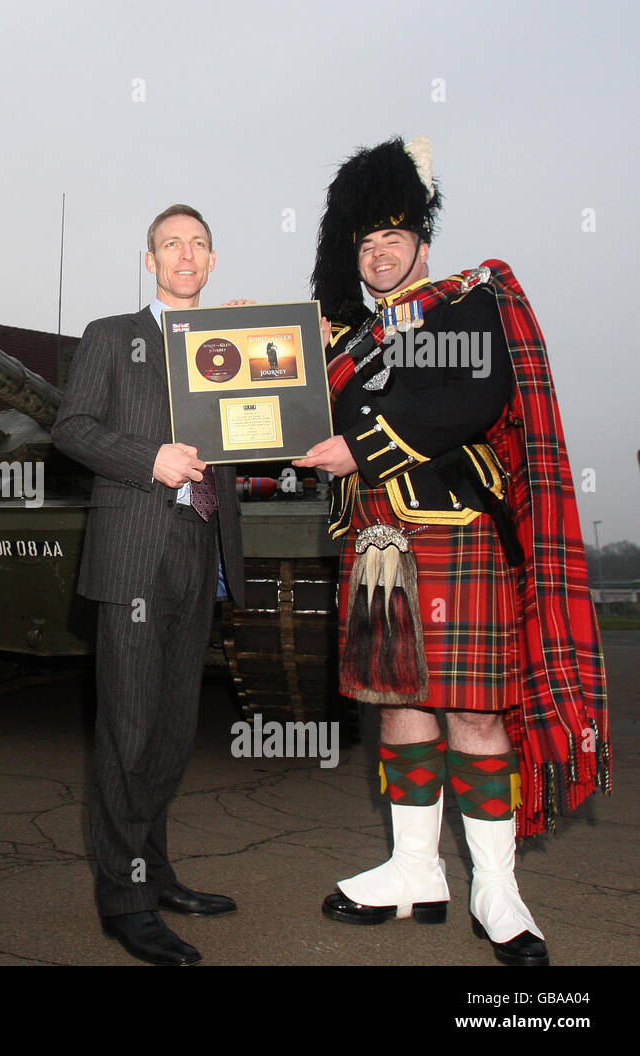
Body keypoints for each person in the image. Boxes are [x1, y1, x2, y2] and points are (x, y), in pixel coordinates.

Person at [294, 137, 610, 967]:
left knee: (474, 711)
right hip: (376, 545)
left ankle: (495, 889)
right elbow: (302, 422)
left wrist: (359, 448)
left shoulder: (465, 304)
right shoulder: (346, 338)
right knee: (399, 703)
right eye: (367, 242)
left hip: (459, 535)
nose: (381, 251)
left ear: (423, 243)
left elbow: (474, 394)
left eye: (394, 235)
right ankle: (413, 869)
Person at [52, 204, 246, 966]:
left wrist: (264, 345)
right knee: (127, 731)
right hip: (134, 553)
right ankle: (124, 901)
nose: (186, 255)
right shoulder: (112, 336)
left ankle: (155, 871)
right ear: (151, 261)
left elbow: (265, 425)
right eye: (172, 244)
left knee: (171, 729)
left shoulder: (225, 341)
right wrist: (148, 458)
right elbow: (70, 428)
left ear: (213, 259)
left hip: (202, 551)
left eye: (199, 243)